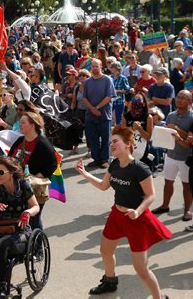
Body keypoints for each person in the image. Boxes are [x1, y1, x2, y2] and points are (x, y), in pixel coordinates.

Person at [75, 127, 171, 299]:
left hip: (137, 219)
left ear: (127, 144)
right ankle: (110, 281)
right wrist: (85, 173)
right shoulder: (114, 164)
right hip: (117, 215)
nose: (111, 144)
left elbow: (151, 195)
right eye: (110, 141)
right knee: (105, 251)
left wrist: (138, 211)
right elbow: (104, 186)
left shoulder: (140, 168)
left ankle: (159, 297)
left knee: (141, 269)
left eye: (115, 141)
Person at [0, 156, 39, 298]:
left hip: (19, 228)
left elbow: (35, 206)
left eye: (1, 172)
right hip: (0, 225)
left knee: (0, 246)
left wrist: (27, 212)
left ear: (11, 172)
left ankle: (3, 286)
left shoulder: (23, 185)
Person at [8, 111, 57, 231]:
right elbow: (9, 159)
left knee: (34, 218)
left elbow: (53, 164)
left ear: (32, 126)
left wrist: (35, 178)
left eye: (23, 122)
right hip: (18, 186)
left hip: (34, 188)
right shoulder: (20, 141)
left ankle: (37, 244)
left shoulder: (43, 144)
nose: (20, 124)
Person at [151, 90, 193, 221]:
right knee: (168, 182)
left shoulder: (192, 117)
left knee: (187, 186)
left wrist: (178, 130)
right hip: (170, 155)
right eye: (178, 97)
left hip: (186, 158)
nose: (179, 99)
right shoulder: (170, 115)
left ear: (190, 102)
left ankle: (187, 211)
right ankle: (165, 205)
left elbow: (190, 139)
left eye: (183, 98)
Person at [83, 59, 116, 168]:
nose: (94, 68)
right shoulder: (87, 82)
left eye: (96, 66)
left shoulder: (107, 80)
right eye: (92, 66)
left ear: (101, 66)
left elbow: (109, 97)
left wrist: (97, 108)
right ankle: (96, 159)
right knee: (93, 138)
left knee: (105, 138)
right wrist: (92, 109)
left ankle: (104, 159)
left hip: (104, 114)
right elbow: (84, 98)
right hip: (90, 115)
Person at [121, 93, 155, 172]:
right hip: (128, 151)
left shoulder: (148, 117)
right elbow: (122, 135)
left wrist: (139, 129)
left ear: (143, 103)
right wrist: (132, 129)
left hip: (143, 152)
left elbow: (148, 137)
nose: (136, 101)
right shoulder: (126, 116)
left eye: (139, 100)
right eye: (134, 99)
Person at [109, 61, 130, 127]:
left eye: (112, 67)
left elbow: (127, 89)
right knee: (108, 117)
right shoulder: (110, 77)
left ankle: (118, 133)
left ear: (116, 68)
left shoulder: (123, 78)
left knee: (119, 119)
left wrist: (118, 91)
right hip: (110, 101)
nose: (110, 68)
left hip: (119, 101)